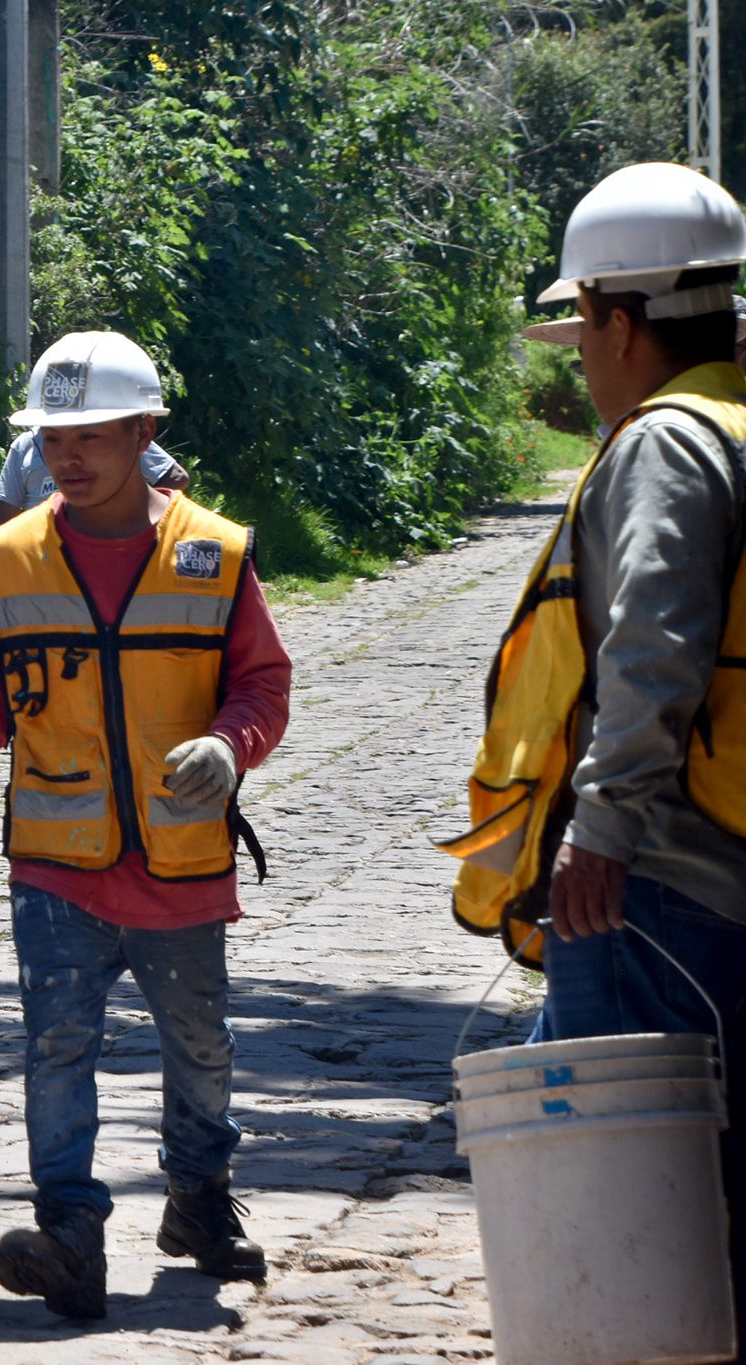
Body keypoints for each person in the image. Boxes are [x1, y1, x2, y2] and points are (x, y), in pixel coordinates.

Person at [0, 331, 292, 1318]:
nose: (68, 456)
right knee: (53, 1047)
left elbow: (261, 682)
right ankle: (69, 1232)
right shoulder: (10, 561)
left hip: (180, 869)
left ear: (143, 431)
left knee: (200, 1048)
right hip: (55, 872)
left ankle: (198, 1200)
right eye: (51, 437)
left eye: (89, 434)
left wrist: (228, 746)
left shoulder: (211, 554)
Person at [453, 163, 746, 1338]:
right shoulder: (736, 423)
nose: (577, 350)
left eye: (578, 320)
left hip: (653, 884)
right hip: (714, 869)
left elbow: (651, 643)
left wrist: (602, 827)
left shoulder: (666, 444)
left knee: (623, 1204)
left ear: (619, 321)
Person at [0, 423, 190, 526]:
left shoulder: (109, 435)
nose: (66, 458)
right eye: (52, 439)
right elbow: (4, 518)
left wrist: (127, 515)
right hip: (43, 557)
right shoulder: (24, 446)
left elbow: (176, 477)